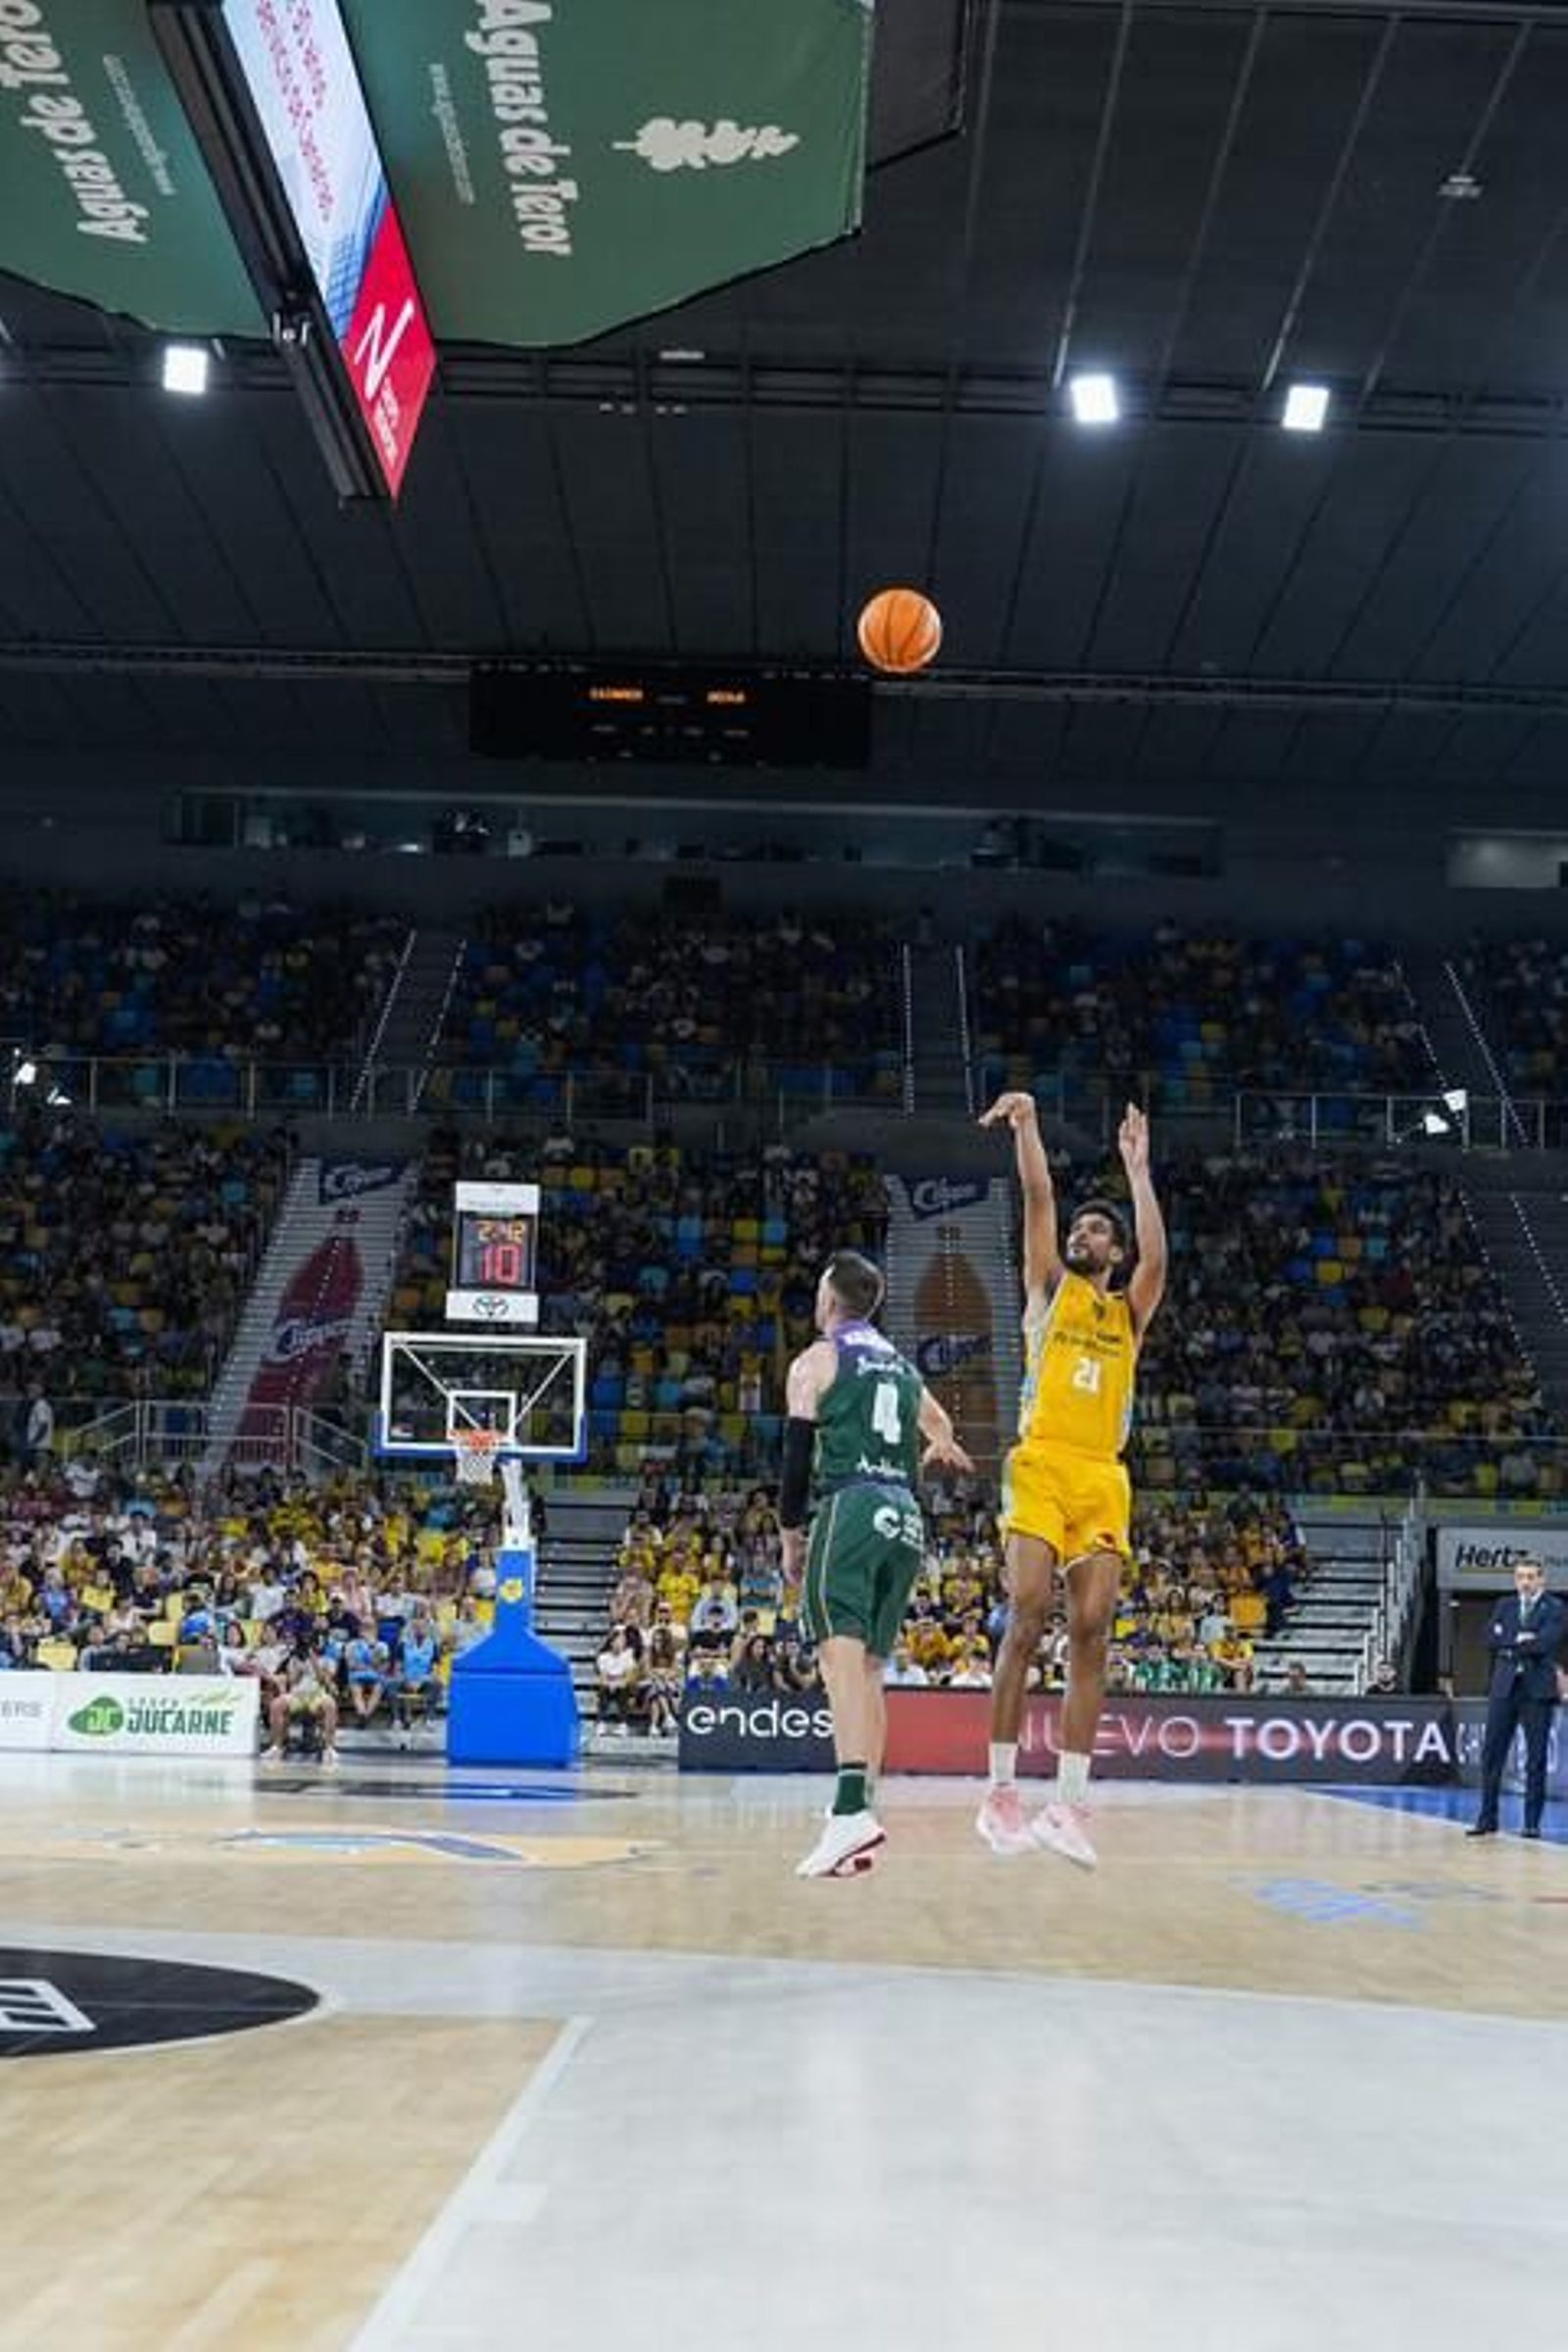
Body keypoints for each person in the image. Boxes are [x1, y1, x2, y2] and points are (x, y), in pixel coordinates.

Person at [975, 1096, 1166, 1870]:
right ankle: (998, 1793)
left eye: (1099, 1230)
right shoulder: (1048, 1289)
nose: (1084, 1234)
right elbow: (1039, 1198)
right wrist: (1028, 1128)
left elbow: (1158, 1260)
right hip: (1042, 1463)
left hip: (1102, 1479)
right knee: (1025, 1614)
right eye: (1081, 1229)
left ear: (1112, 1252)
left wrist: (1137, 1169)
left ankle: (1069, 1804)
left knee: (1092, 1633)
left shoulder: (1129, 1311)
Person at [780, 1250, 971, 1881]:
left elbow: (794, 1457)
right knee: (868, 1671)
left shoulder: (817, 1361)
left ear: (831, 1298)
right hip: (906, 1518)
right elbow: (940, 1426)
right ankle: (863, 1816)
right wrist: (937, 1447)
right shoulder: (901, 1366)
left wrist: (789, 1535)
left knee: (839, 1665)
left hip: (853, 1506)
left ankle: (847, 1812)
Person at [1467, 1556, 1567, 1840]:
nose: (1525, 1582)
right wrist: (1519, 1641)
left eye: (1531, 1576)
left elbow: (1545, 1642)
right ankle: (1487, 1819)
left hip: (1537, 1691)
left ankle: (1531, 1823)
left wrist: (1509, 1644)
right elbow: (1488, 1637)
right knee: (1491, 1755)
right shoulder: (1504, 1604)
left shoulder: (1556, 1607)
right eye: (1520, 1576)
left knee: (1535, 1759)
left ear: (1541, 1579)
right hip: (1504, 1688)